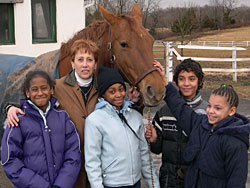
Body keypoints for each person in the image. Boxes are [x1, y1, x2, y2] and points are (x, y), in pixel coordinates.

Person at [5, 39, 141, 188]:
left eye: (89, 60)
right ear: (72, 63)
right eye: (80, 59)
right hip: (69, 166)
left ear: (95, 64)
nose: (84, 64)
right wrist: (11, 107)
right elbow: (37, 100)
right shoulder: (57, 86)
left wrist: (136, 105)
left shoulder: (104, 88)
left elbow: (121, 111)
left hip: (100, 165)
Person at [146, 61, 250, 188]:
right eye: (210, 106)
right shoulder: (200, 124)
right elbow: (180, 108)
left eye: (218, 108)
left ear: (231, 111)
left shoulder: (236, 143)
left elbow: (237, 181)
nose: (211, 111)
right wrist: (165, 82)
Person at [1, 70, 81, 188]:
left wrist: (61, 184)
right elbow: (9, 160)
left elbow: (73, 153)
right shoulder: (18, 120)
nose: (40, 93)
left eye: (44, 88)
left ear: (52, 90)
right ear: (27, 93)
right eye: (34, 89)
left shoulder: (62, 117)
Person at [84, 66, 160, 188]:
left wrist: (154, 184)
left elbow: (144, 154)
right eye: (112, 91)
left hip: (135, 183)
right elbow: (92, 161)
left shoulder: (135, 116)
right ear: (103, 94)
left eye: (121, 89)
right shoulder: (94, 121)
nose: (118, 95)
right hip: (112, 184)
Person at [149, 59, 207, 188]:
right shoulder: (163, 113)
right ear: (176, 81)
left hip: (196, 179)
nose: (186, 84)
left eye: (192, 79)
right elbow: (157, 150)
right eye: (181, 79)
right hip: (169, 180)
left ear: (200, 81)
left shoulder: (208, 112)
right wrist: (153, 140)